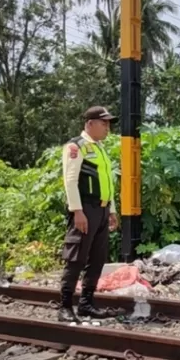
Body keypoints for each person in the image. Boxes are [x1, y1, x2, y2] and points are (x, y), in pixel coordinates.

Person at [57, 106, 119, 322]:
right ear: (90, 123)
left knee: (97, 258)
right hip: (85, 209)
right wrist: (77, 211)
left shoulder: (100, 148)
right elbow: (70, 181)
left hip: (101, 209)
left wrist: (111, 210)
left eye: (109, 123)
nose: (107, 128)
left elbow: (107, 182)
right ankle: (65, 307)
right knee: (76, 258)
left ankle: (86, 304)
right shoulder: (77, 146)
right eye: (104, 123)